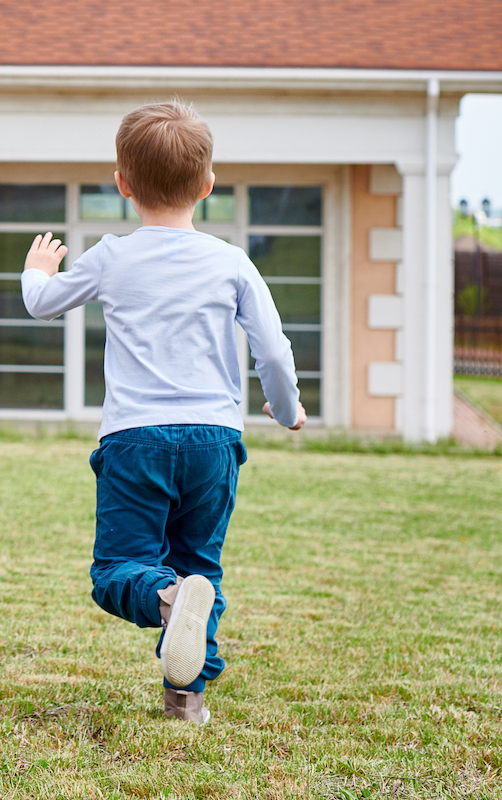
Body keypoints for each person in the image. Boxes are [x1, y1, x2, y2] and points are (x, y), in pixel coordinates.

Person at [21, 101, 305, 725]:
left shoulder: (112, 256)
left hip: (135, 439)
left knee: (117, 572)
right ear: (207, 185)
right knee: (200, 564)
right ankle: (187, 698)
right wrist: (286, 409)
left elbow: (42, 304)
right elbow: (274, 352)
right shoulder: (232, 261)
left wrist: (37, 268)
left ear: (122, 185)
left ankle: (169, 599)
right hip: (214, 440)